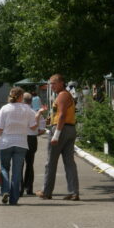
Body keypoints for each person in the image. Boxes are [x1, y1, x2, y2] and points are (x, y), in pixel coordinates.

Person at [0, 86, 39, 205]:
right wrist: (39, 116)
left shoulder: (5, 109)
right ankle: (14, 199)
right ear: (21, 97)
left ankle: (5, 190)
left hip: (6, 142)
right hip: (21, 143)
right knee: (16, 171)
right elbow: (33, 127)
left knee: (5, 168)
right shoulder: (28, 109)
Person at [36, 73, 80, 201]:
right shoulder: (68, 95)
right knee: (69, 162)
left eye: (54, 83)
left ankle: (46, 191)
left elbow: (61, 115)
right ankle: (73, 192)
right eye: (51, 83)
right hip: (70, 128)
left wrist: (56, 135)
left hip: (61, 129)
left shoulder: (62, 95)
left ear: (61, 83)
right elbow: (60, 114)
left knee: (51, 162)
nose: (52, 86)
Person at [21, 92, 46, 196]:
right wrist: (35, 133)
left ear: (22, 100)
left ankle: (19, 188)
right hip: (32, 139)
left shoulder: (19, 112)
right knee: (30, 164)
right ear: (32, 101)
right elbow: (42, 130)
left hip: (20, 138)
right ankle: (29, 188)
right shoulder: (35, 113)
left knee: (19, 164)